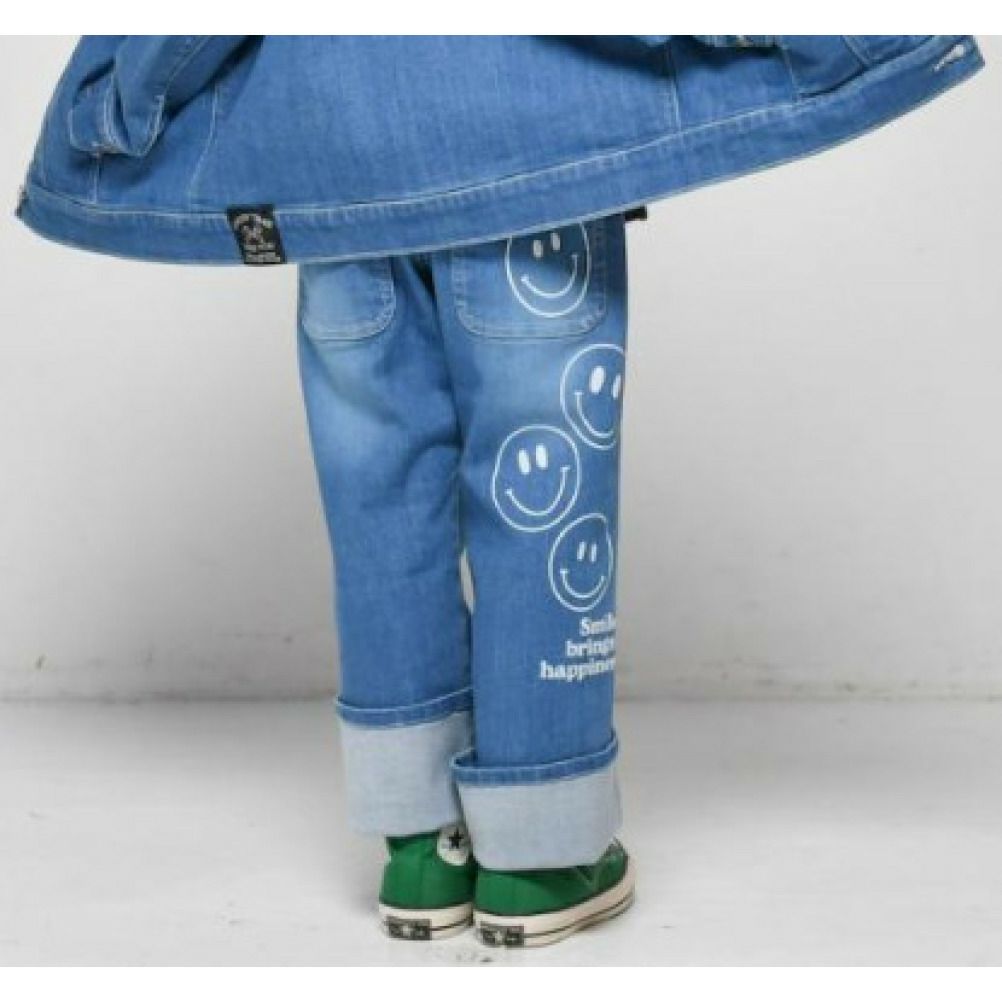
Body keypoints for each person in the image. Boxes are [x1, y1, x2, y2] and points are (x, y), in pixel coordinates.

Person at [16, 35, 983, 948]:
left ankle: (419, 847)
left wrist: (119, 100)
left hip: (332, 178)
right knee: (541, 490)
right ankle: (541, 854)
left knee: (378, 494)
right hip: (524, 150)